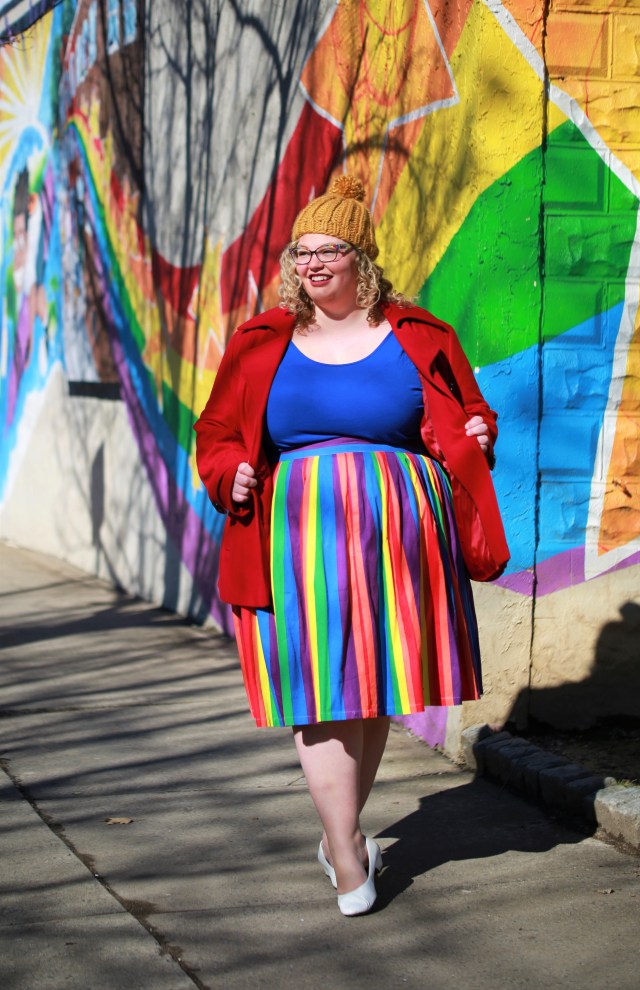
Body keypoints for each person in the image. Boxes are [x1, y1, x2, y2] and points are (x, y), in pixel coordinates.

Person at [195, 174, 509, 916]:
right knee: (318, 690)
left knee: (371, 688)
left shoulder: (421, 334)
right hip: (296, 532)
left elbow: (469, 412)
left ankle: (341, 834)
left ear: (361, 258)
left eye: (327, 250)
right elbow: (216, 431)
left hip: (399, 531)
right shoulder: (261, 341)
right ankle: (344, 849)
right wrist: (230, 472)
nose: (311, 264)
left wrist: (477, 430)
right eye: (301, 252)